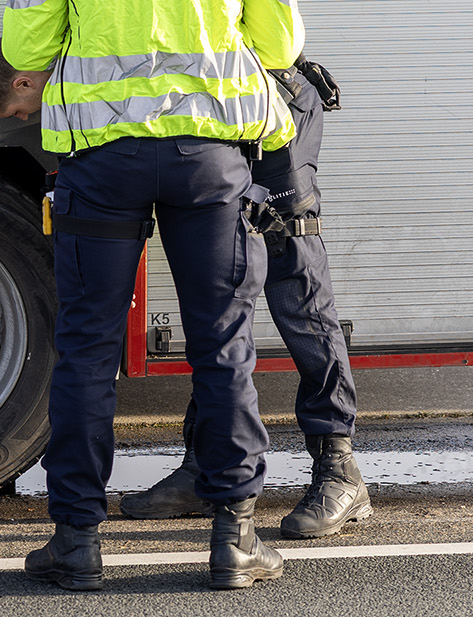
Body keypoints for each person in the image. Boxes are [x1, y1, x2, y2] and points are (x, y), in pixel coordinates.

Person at [0, 0, 302, 592]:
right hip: (209, 162)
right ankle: (232, 538)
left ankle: (77, 540)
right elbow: (282, 44)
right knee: (221, 346)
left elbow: (28, 48)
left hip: (100, 164)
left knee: (84, 350)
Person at [119, 60, 372, 538]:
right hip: (211, 108)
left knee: (296, 277)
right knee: (221, 307)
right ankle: (207, 470)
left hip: (270, 98)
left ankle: (340, 470)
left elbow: (275, 33)